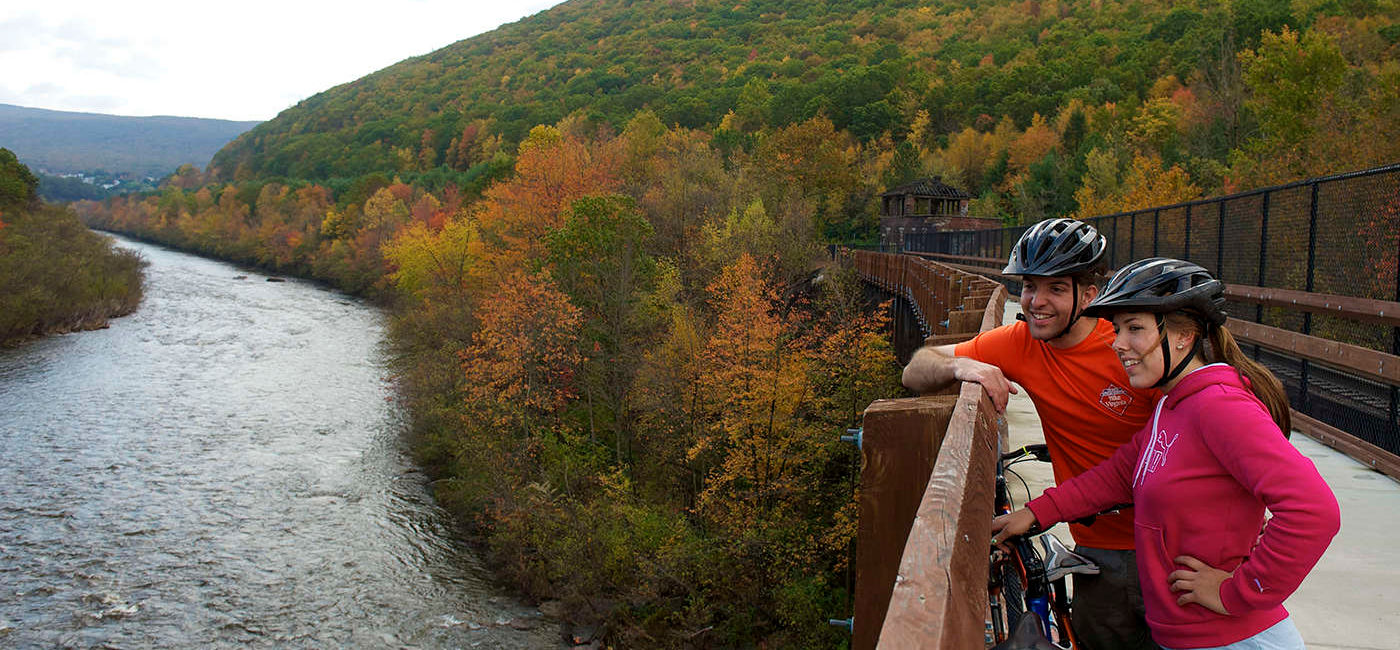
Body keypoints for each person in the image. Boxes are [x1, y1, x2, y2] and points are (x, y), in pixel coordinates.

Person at [990, 258, 1341, 650]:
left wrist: (1236, 592)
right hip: (1186, 636)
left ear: (1184, 336)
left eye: (1134, 329)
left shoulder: (1220, 407)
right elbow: (1118, 476)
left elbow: (1314, 511)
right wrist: (1037, 513)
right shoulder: (1172, 405)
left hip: (1232, 638)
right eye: (1117, 329)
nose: (1118, 343)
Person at [903, 217, 1161, 649]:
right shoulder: (1021, 342)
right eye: (1028, 286)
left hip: (1168, 543)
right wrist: (963, 366)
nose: (1037, 301)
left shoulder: (1128, 347)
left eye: (1056, 288)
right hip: (1096, 547)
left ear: (1090, 295)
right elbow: (915, 369)